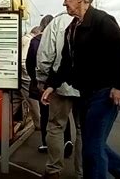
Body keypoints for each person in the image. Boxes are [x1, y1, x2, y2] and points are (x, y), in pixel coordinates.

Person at [42, 0, 120, 179]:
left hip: (105, 93)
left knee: (92, 148)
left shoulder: (101, 20)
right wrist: (51, 84)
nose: (64, 4)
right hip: (86, 93)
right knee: (93, 143)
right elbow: (67, 63)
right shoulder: (72, 28)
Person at [34, 11, 82, 178]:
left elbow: (45, 55)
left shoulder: (56, 23)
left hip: (60, 85)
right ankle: (81, 172)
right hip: (86, 87)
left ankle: (54, 170)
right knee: (82, 129)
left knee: (55, 126)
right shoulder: (93, 21)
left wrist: (43, 81)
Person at [25, 15, 54, 151]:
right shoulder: (59, 39)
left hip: (41, 84)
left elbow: (29, 63)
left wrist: (35, 80)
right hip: (57, 84)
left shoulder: (35, 41)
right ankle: (66, 142)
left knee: (45, 114)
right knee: (60, 116)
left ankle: (45, 143)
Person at [13, 26, 42, 129]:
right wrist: (29, 76)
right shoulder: (30, 40)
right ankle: (39, 124)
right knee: (33, 100)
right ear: (37, 33)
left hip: (16, 74)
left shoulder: (23, 39)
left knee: (17, 98)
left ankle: (4, 121)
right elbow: (23, 60)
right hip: (25, 77)